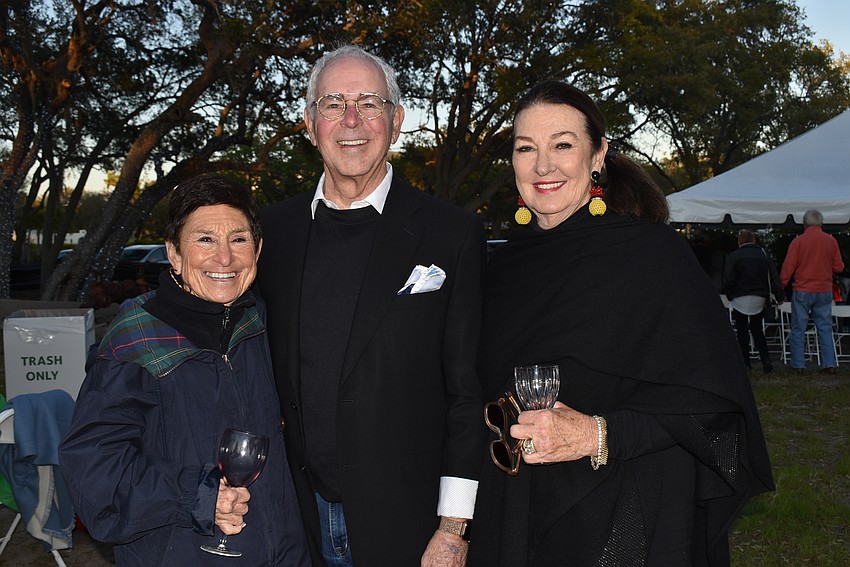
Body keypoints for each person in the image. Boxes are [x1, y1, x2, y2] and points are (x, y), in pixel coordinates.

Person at [468, 80, 774, 567]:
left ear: (598, 155)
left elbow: (711, 402)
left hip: (624, 511)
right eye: (526, 148)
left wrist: (597, 435)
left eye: (562, 145)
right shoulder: (500, 267)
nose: (543, 165)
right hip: (516, 505)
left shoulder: (652, 255)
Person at [256, 45, 486, 566]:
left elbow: (467, 395)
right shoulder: (272, 234)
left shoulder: (452, 234)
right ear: (310, 124)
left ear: (397, 120)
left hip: (410, 522)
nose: (351, 119)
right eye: (333, 103)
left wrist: (454, 527)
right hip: (296, 519)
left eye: (369, 103)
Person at [59, 175, 310, 566]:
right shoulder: (136, 341)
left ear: (257, 249)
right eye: (204, 239)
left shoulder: (264, 323)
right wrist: (199, 494)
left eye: (239, 239)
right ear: (174, 253)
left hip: (285, 553)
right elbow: (96, 476)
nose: (224, 258)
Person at [780, 209, 845, 374]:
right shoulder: (831, 241)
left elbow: (788, 268)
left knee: (798, 328)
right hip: (824, 290)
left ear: (804, 223)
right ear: (821, 223)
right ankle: (829, 364)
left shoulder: (798, 242)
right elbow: (839, 267)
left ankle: (798, 365)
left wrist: (781, 285)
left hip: (802, 289)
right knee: (825, 328)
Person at [723, 230, 783, 373]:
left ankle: (745, 363)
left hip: (740, 297)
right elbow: (773, 276)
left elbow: (728, 278)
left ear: (739, 242)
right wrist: (779, 295)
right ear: (754, 240)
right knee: (757, 330)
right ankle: (766, 361)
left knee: (742, 331)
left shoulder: (734, 256)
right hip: (759, 296)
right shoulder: (763, 255)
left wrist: (729, 294)